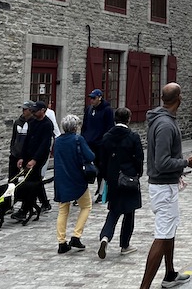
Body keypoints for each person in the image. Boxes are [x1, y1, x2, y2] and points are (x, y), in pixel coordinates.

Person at [139, 83, 192, 289]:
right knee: (162, 234)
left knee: (170, 230)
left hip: (166, 186)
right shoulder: (165, 125)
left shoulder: (162, 119)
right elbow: (162, 162)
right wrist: (186, 162)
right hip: (163, 187)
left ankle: (170, 274)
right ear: (179, 99)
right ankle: (144, 286)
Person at [98, 107, 143, 259]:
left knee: (114, 211)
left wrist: (107, 176)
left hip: (113, 178)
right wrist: (138, 174)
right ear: (128, 119)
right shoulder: (133, 137)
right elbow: (139, 159)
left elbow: (101, 160)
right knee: (129, 212)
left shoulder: (106, 137)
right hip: (128, 178)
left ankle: (105, 236)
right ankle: (125, 244)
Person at [54, 114, 95, 254]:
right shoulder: (78, 139)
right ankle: (76, 235)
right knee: (86, 206)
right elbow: (90, 156)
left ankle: (61, 242)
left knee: (63, 209)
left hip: (61, 178)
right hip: (76, 178)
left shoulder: (58, 141)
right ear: (75, 127)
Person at [14, 101, 54, 221]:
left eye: (36, 111)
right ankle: (45, 203)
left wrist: (35, 160)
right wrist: (21, 157)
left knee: (30, 183)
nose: (34, 113)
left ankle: (24, 210)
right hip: (29, 155)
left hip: (39, 157)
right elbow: (26, 141)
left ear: (43, 110)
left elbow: (44, 145)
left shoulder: (47, 124)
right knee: (35, 181)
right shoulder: (32, 122)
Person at [82, 88, 115, 201]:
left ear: (100, 98)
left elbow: (109, 127)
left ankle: (102, 192)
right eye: (90, 98)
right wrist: (83, 139)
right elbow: (85, 125)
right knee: (86, 168)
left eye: (94, 98)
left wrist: (104, 142)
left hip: (100, 144)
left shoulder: (107, 110)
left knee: (101, 168)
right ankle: (82, 194)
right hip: (88, 143)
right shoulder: (89, 109)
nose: (91, 100)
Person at [9, 101, 34, 180]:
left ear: (30, 110)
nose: (23, 111)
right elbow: (14, 137)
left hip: (27, 155)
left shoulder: (34, 123)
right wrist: (12, 149)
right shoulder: (17, 122)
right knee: (12, 178)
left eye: (25, 109)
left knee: (28, 179)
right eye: (23, 109)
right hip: (15, 154)